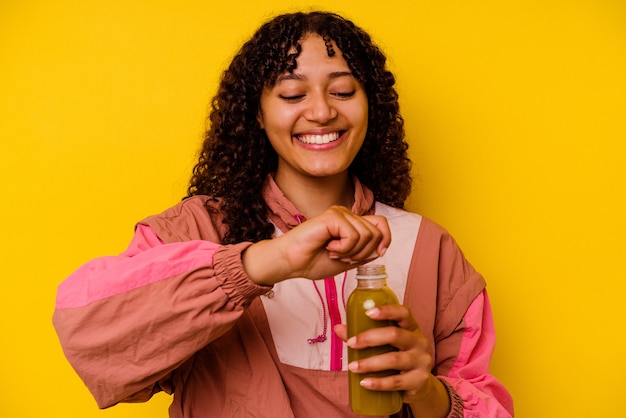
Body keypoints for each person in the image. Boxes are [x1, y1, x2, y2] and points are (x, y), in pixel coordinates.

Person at [53, 11, 514, 418]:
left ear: (370, 104)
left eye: (343, 90)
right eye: (292, 95)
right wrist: (265, 262)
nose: (320, 111)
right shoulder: (193, 231)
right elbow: (89, 337)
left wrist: (427, 391)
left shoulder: (428, 248)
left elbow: (485, 404)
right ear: (256, 113)